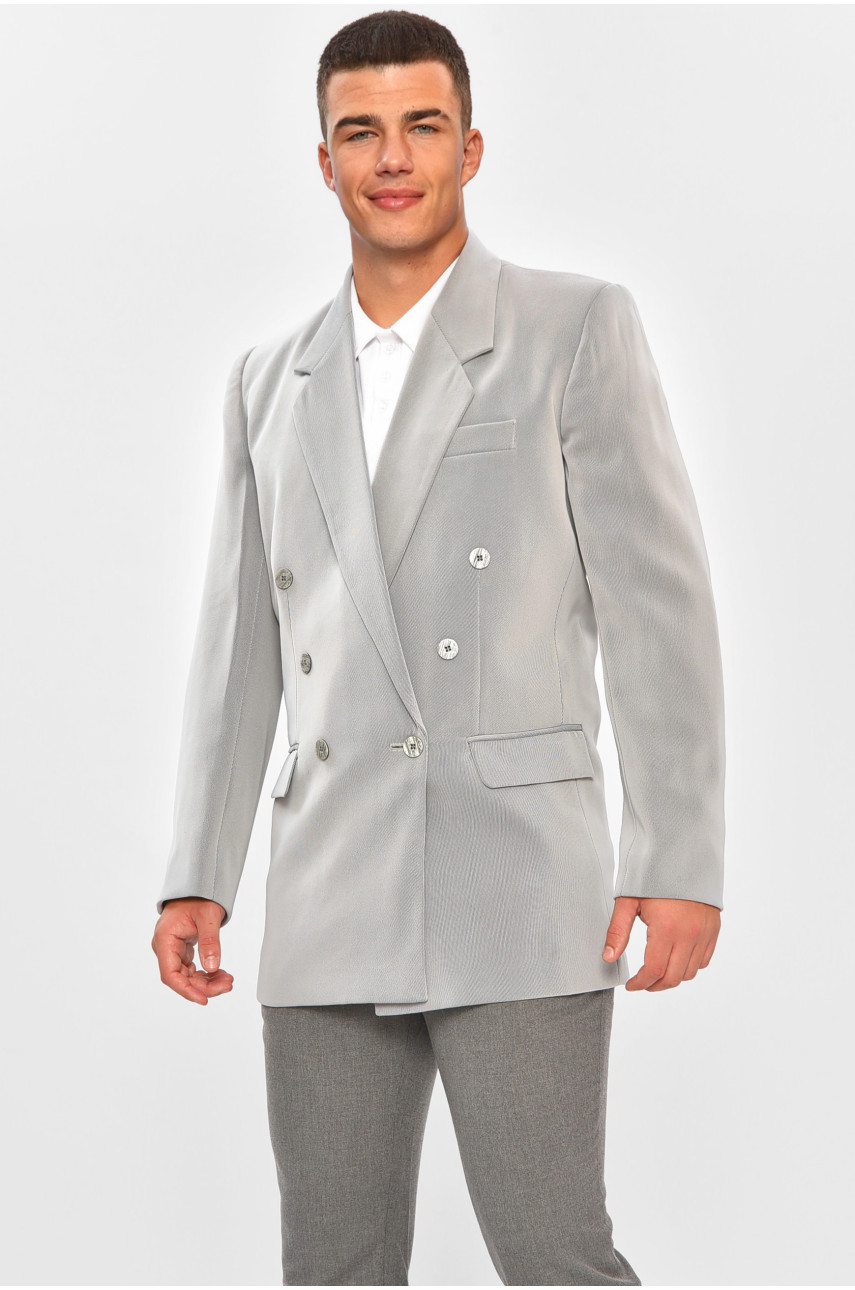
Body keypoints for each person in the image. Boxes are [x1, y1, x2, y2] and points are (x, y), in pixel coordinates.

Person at [151, 10, 725, 1286]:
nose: (393, 158)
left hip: (513, 875)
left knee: (555, 1253)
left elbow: (659, 607)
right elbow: (240, 646)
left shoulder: (574, 326)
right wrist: (199, 870)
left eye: (422, 127)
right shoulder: (268, 380)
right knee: (332, 1266)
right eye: (361, 132)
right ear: (325, 162)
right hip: (329, 877)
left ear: (470, 148)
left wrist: (678, 855)